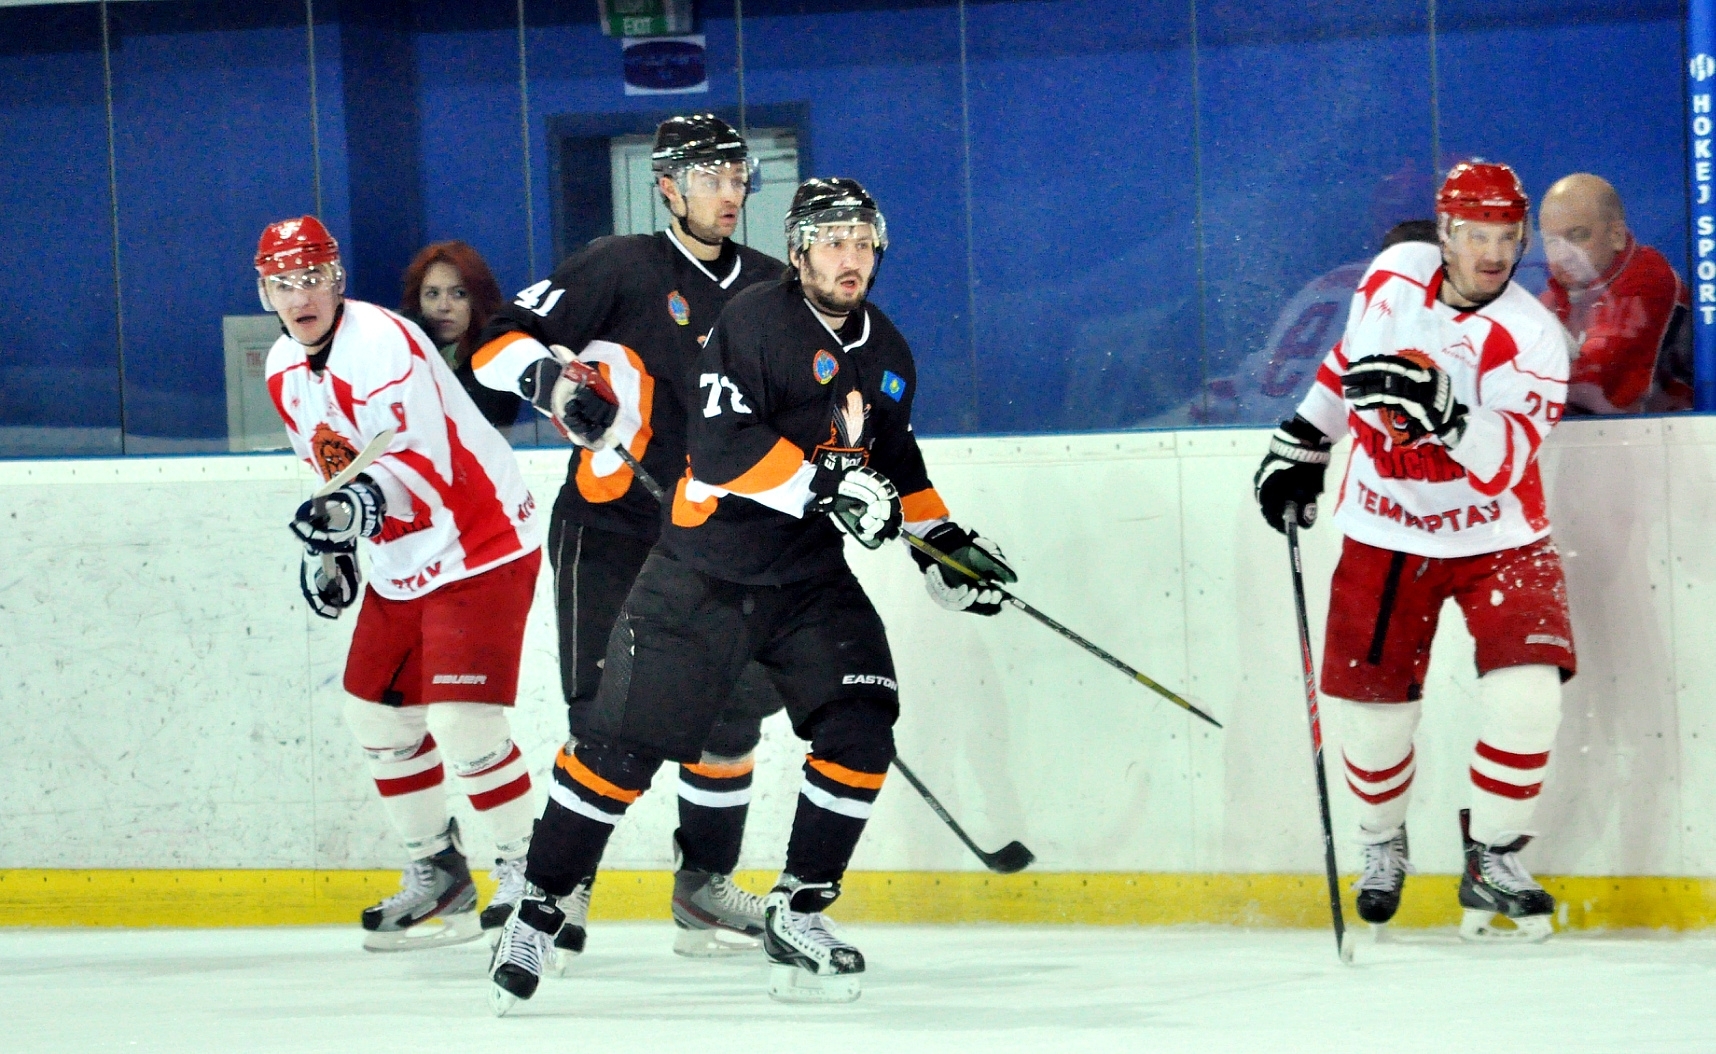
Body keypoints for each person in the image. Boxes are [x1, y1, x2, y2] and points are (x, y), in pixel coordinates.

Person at [485, 177, 1017, 1012]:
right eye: (833, 242)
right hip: (703, 573)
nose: (850, 257)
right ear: (799, 252)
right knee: (618, 751)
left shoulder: (888, 349)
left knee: (860, 725)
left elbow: (896, 462)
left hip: (806, 580)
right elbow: (723, 448)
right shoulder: (755, 322)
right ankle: (540, 908)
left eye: (863, 242)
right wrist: (826, 487)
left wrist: (942, 544)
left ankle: (798, 909)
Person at [469, 114, 788, 959]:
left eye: (738, 177)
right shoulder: (616, 265)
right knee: (604, 718)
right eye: (710, 177)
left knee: (731, 713)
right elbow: (495, 341)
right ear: (668, 187)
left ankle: (703, 888)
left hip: (718, 537)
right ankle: (564, 887)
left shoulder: (770, 287)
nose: (729, 193)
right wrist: (552, 384)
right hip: (611, 525)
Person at [1253, 162, 1577, 943]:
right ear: (1445, 233)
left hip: (1500, 537)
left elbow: (1505, 462)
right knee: (1375, 720)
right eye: (1475, 236)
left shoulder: (1535, 338)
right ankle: (1381, 842)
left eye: (1507, 237)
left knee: (1530, 693)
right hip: (1386, 530)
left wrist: (1449, 415)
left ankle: (1493, 855)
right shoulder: (1395, 273)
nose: (1492, 254)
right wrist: (1303, 440)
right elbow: (1349, 363)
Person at [257, 216, 545, 951]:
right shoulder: (282, 367)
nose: (300, 296)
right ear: (266, 294)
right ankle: (440, 875)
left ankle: (532, 879)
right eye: (284, 283)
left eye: (313, 278)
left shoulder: (383, 342)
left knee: (463, 721)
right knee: (376, 717)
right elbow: (333, 465)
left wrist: (357, 509)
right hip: (402, 559)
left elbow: (425, 461)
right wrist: (334, 549)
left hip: (478, 540)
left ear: (338, 281)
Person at [1538, 173, 1691, 414]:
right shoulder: (1550, 301)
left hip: (1670, 435)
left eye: (1577, 236)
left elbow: (1593, 386)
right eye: (1552, 242)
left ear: (1616, 236)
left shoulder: (1647, 278)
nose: (1562, 255)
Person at [400, 241, 521, 427]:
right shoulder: (400, 356)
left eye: (459, 294)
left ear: (479, 299)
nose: (443, 306)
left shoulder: (497, 360)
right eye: (432, 294)